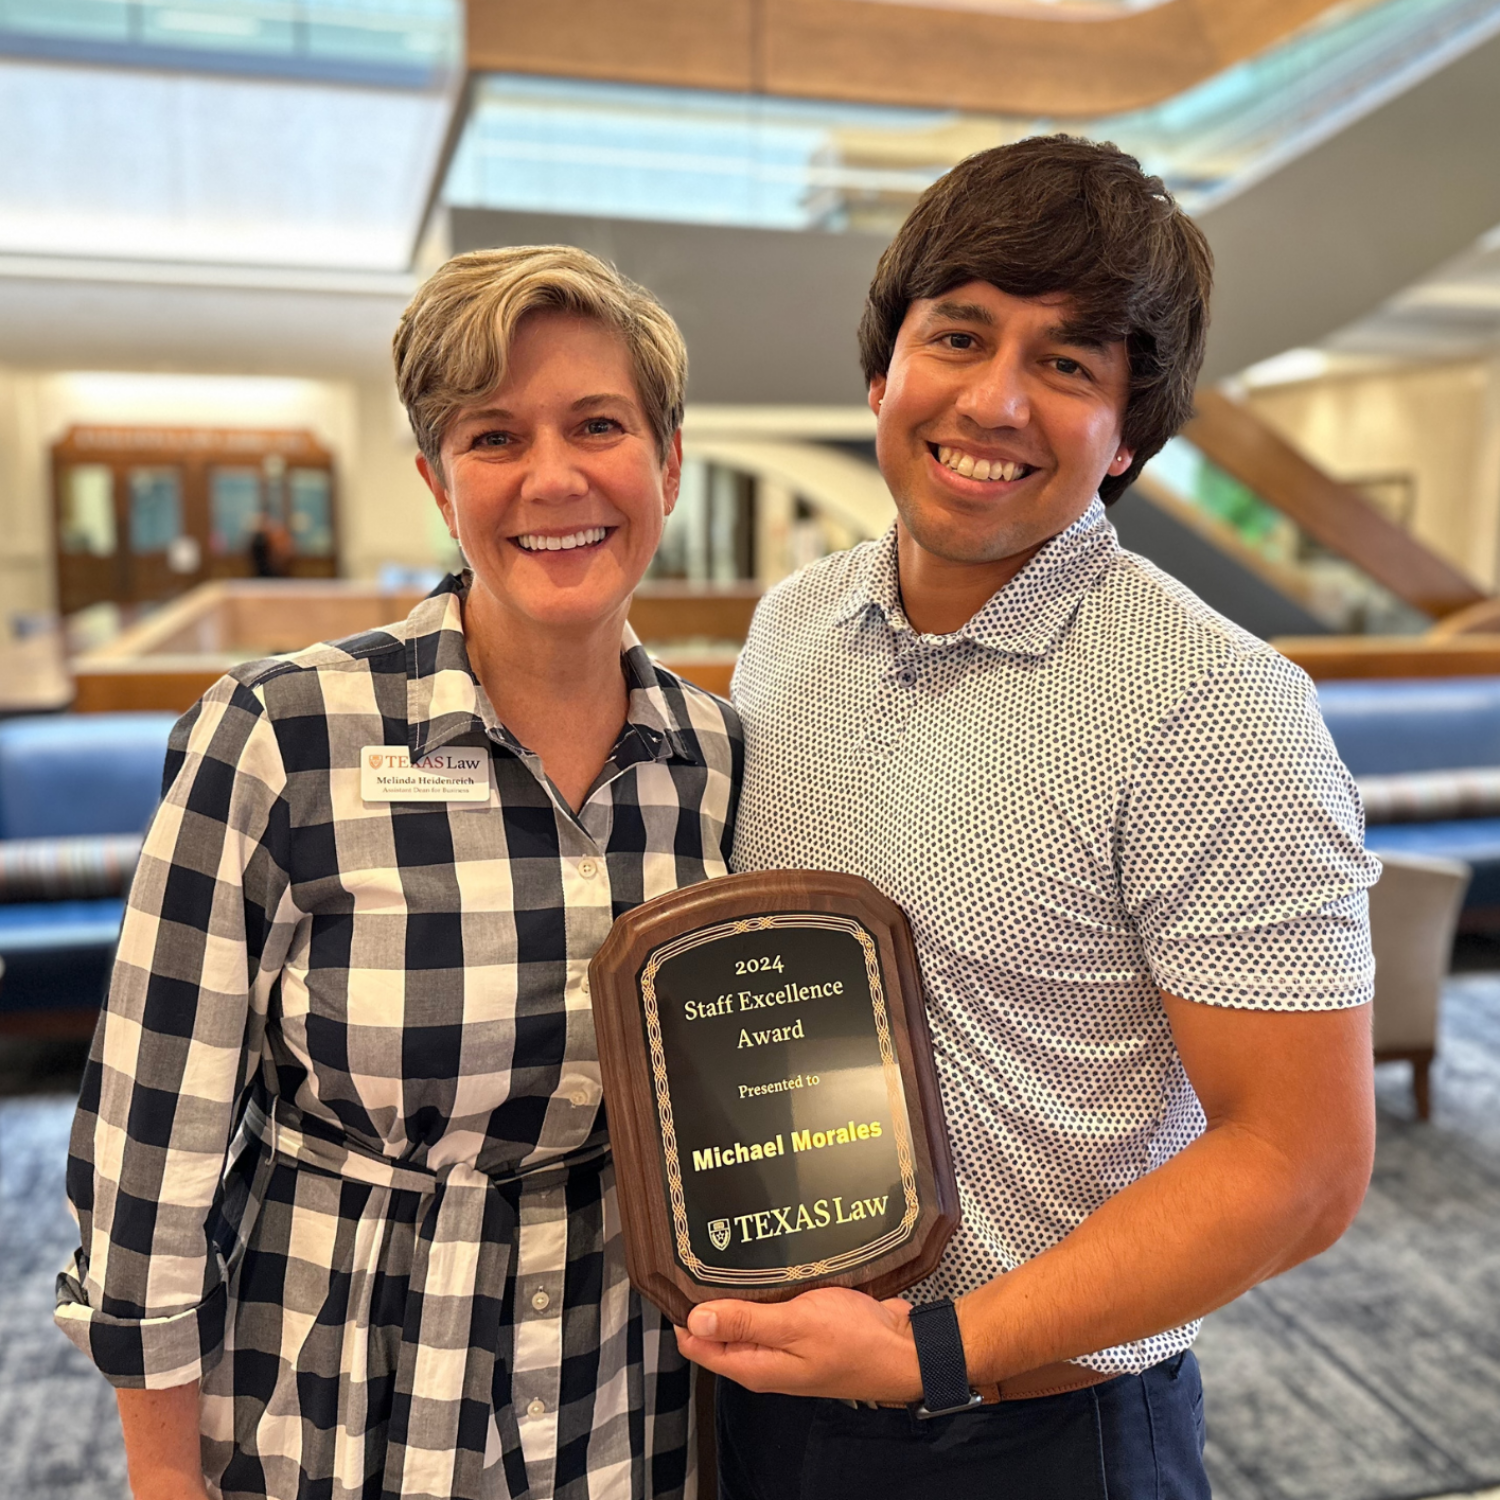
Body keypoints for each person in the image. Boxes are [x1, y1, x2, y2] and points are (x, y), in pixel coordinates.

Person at [677, 136, 1379, 1498]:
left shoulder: (1216, 707)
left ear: (1130, 435)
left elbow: (1301, 1165)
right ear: (884, 370)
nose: (993, 401)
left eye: (1067, 364)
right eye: (959, 335)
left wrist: (936, 1351)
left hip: (1040, 1436)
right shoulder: (789, 631)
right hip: (769, 1400)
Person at [57, 246, 740, 1500]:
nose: (554, 477)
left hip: (626, 1402)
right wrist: (163, 1475)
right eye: (494, 438)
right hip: (344, 1390)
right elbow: (151, 1139)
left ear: (669, 461)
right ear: (437, 483)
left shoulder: (718, 759)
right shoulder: (284, 733)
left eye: (599, 424)